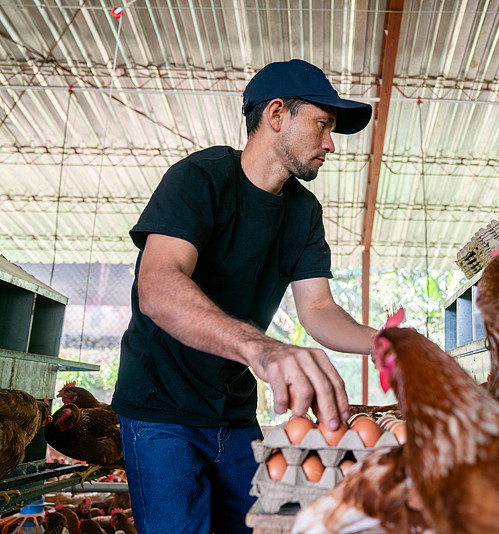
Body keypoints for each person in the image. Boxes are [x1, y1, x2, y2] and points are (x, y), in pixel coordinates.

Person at [111, 59, 377, 533]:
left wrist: (381, 342)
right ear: (277, 115)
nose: (330, 144)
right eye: (322, 125)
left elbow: (317, 309)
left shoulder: (303, 211)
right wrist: (262, 348)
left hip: (233, 413)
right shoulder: (201, 178)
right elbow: (158, 286)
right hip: (160, 412)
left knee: (267, 525)